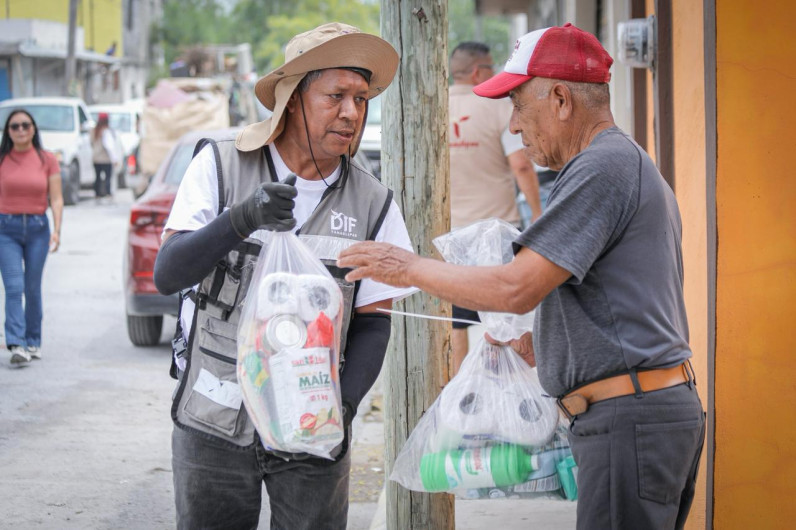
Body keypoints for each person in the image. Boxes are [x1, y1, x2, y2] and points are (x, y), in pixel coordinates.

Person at [339, 23, 705, 530]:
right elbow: (618, 299)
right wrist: (550, 346)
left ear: (559, 98)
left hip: (631, 420)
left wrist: (406, 267)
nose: (513, 125)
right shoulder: (613, 163)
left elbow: (516, 287)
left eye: (518, 106)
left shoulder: (602, 167)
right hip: (637, 414)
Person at [153, 22, 415, 529]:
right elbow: (168, 273)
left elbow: (375, 321)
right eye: (336, 95)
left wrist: (340, 408)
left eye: (361, 99)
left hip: (312, 428)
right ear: (293, 98)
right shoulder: (222, 164)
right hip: (214, 418)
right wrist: (240, 219)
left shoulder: (374, 204)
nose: (351, 113)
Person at [448, 41, 543, 374]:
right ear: (477, 71)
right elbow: (521, 166)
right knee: (509, 317)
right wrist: (538, 213)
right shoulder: (496, 107)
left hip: (452, 233)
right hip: (497, 229)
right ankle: (509, 389)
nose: (497, 74)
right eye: (492, 68)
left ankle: (458, 395)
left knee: (456, 321)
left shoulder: (435, 109)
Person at [0, 110, 63, 364]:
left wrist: (57, 229)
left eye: (26, 125)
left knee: (32, 287)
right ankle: (17, 343)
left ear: (34, 129)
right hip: (6, 229)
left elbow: (56, 198)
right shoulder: (2, 158)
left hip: (38, 228)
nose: (21, 130)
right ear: (8, 131)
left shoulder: (47, 159)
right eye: (15, 126)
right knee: (14, 287)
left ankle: (33, 340)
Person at [91, 112, 119, 201]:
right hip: (105, 159)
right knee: (107, 177)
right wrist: (114, 159)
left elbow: (91, 143)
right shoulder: (106, 131)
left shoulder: (94, 130)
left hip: (95, 158)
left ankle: (97, 193)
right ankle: (107, 193)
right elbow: (109, 146)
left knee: (98, 177)